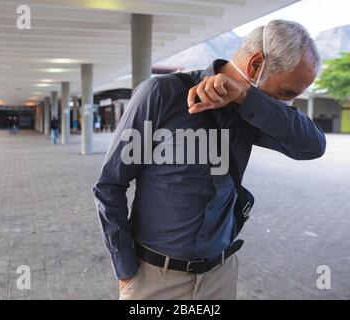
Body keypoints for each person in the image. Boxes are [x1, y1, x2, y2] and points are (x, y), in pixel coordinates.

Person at [93, 20, 326, 300]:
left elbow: (312, 146)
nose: (285, 103)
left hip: (220, 276)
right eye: (286, 93)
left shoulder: (255, 112)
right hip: (154, 277)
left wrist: (246, 97)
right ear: (255, 65)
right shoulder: (161, 94)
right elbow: (110, 185)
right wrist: (126, 269)